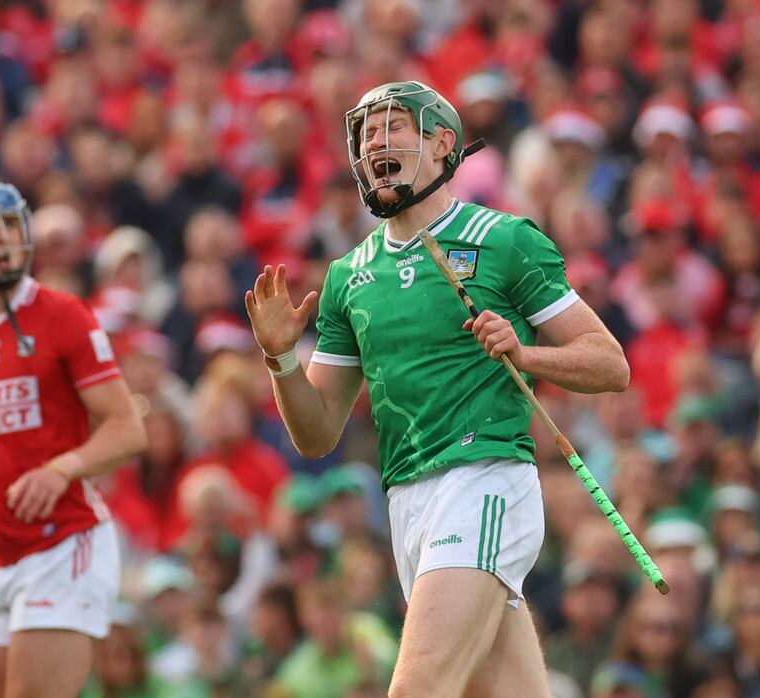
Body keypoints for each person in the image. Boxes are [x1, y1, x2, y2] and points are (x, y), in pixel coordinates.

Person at [245, 80, 630, 696]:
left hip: (483, 478)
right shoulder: (348, 277)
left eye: (393, 127)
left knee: (417, 688)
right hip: (408, 500)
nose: (375, 142)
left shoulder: (504, 240)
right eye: (367, 134)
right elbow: (316, 435)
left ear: (443, 143)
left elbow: (610, 363)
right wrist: (280, 357)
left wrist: (524, 351)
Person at [0, 180, 147, 698]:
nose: (2, 240)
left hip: (67, 545)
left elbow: (128, 429)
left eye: (7, 225)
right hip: (0, 558)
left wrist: (61, 468)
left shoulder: (63, 315)